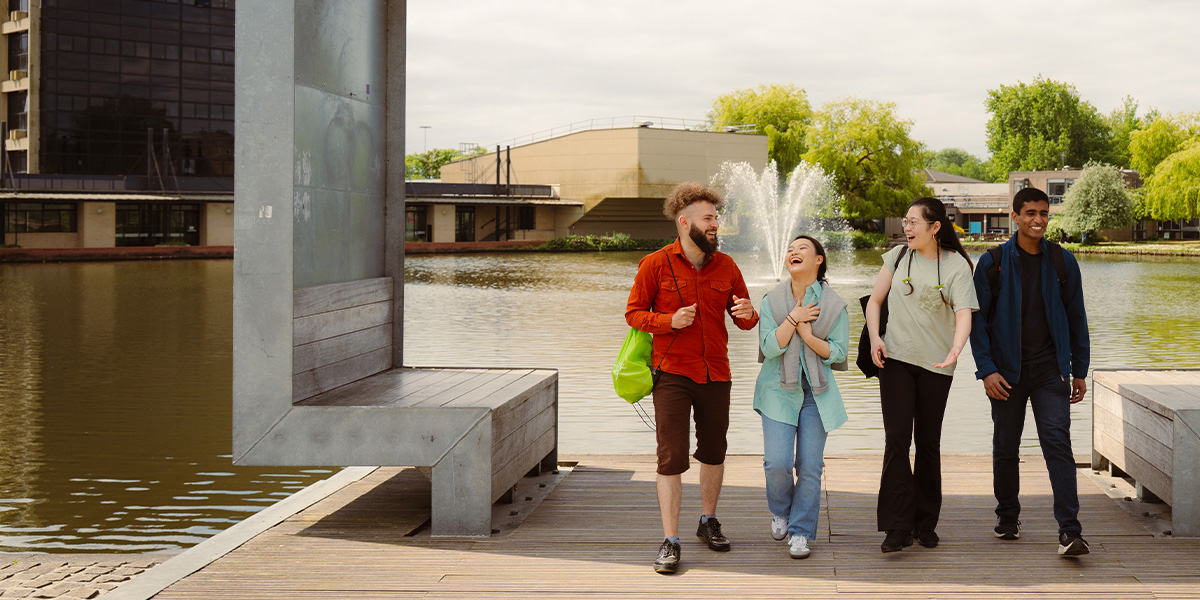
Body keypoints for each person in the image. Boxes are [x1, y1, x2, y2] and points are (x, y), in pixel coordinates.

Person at [625, 182, 759, 575]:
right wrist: (669, 321)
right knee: (671, 458)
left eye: (716, 218)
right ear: (685, 223)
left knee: (714, 450)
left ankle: (708, 521)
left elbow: (746, 322)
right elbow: (633, 314)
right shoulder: (655, 264)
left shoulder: (728, 266)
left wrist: (749, 312)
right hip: (671, 374)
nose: (716, 224)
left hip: (716, 373)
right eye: (709, 218)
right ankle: (671, 540)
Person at [971, 187, 1091, 557]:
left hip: (1049, 371)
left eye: (1043, 213)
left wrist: (1079, 369)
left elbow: (1077, 318)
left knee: (1058, 444)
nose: (1038, 219)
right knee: (1006, 446)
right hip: (1005, 372)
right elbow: (976, 324)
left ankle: (1070, 530)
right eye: (1030, 213)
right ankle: (1008, 516)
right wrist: (987, 370)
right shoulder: (992, 263)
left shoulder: (1062, 262)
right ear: (1015, 216)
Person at [865, 197, 978, 553]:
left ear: (935, 227)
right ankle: (897, 526)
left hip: (936, 366)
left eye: (914, 222)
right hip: (895, 359)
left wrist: (955, 351)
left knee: (928, 443)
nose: (907, 228)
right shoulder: (897, 256)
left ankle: (925, 522)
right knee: (897, 439)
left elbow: (963, 313)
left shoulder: (957, 265)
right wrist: (875, 339)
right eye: (906, 221)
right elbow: (875, 301)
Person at [753, 235, 849, 559]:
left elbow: (838, 353)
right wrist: (794, 319)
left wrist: (808, 336)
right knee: (776, 462)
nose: (793, 252)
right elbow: (769, 347)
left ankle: (801, 532)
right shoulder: (772, 300)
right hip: (778, 389)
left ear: (819, 259)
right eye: (790, 249)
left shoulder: (833, 304)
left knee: (809, 465)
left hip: (816, 393)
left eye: (802, 249)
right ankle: (781, 511)